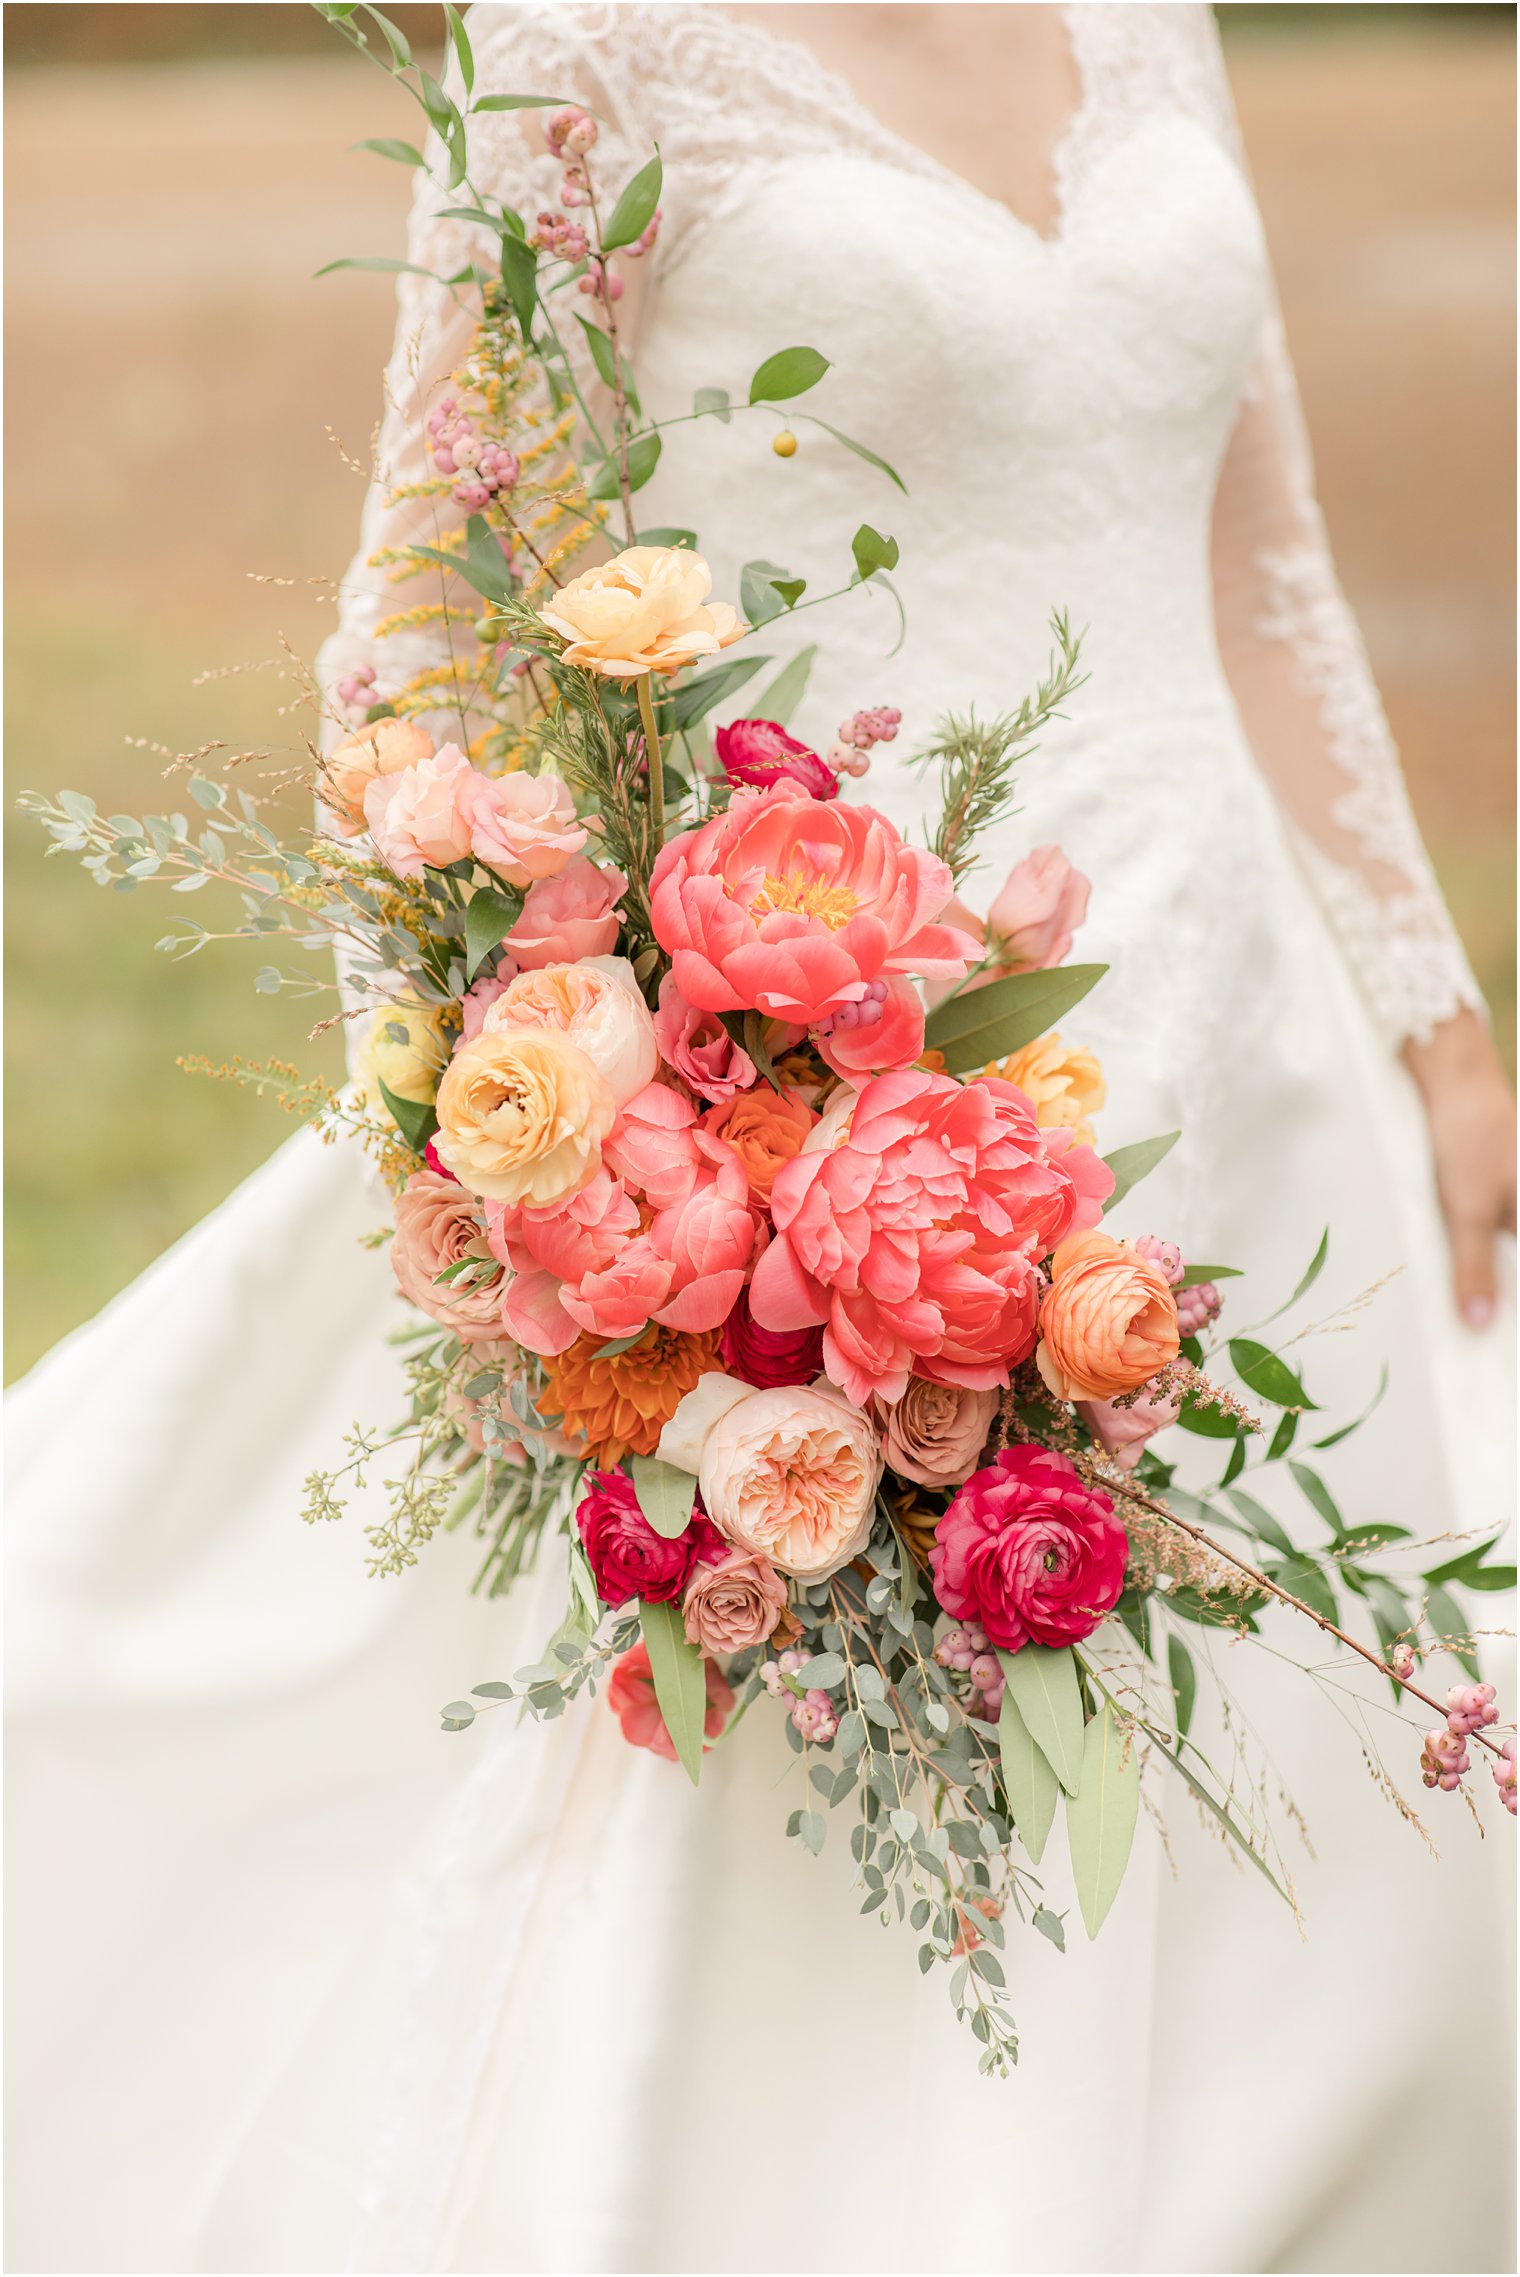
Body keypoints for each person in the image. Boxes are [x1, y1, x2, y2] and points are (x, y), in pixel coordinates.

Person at [7, 8, 1513, 2271]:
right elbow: (428, 611)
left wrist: (1433, 1017)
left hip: (1243, 1046)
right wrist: (529, 1141)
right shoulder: (583, 41)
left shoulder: (1149, 19)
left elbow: (1258, 559)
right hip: (821, 1070)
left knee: (1292, 1787)